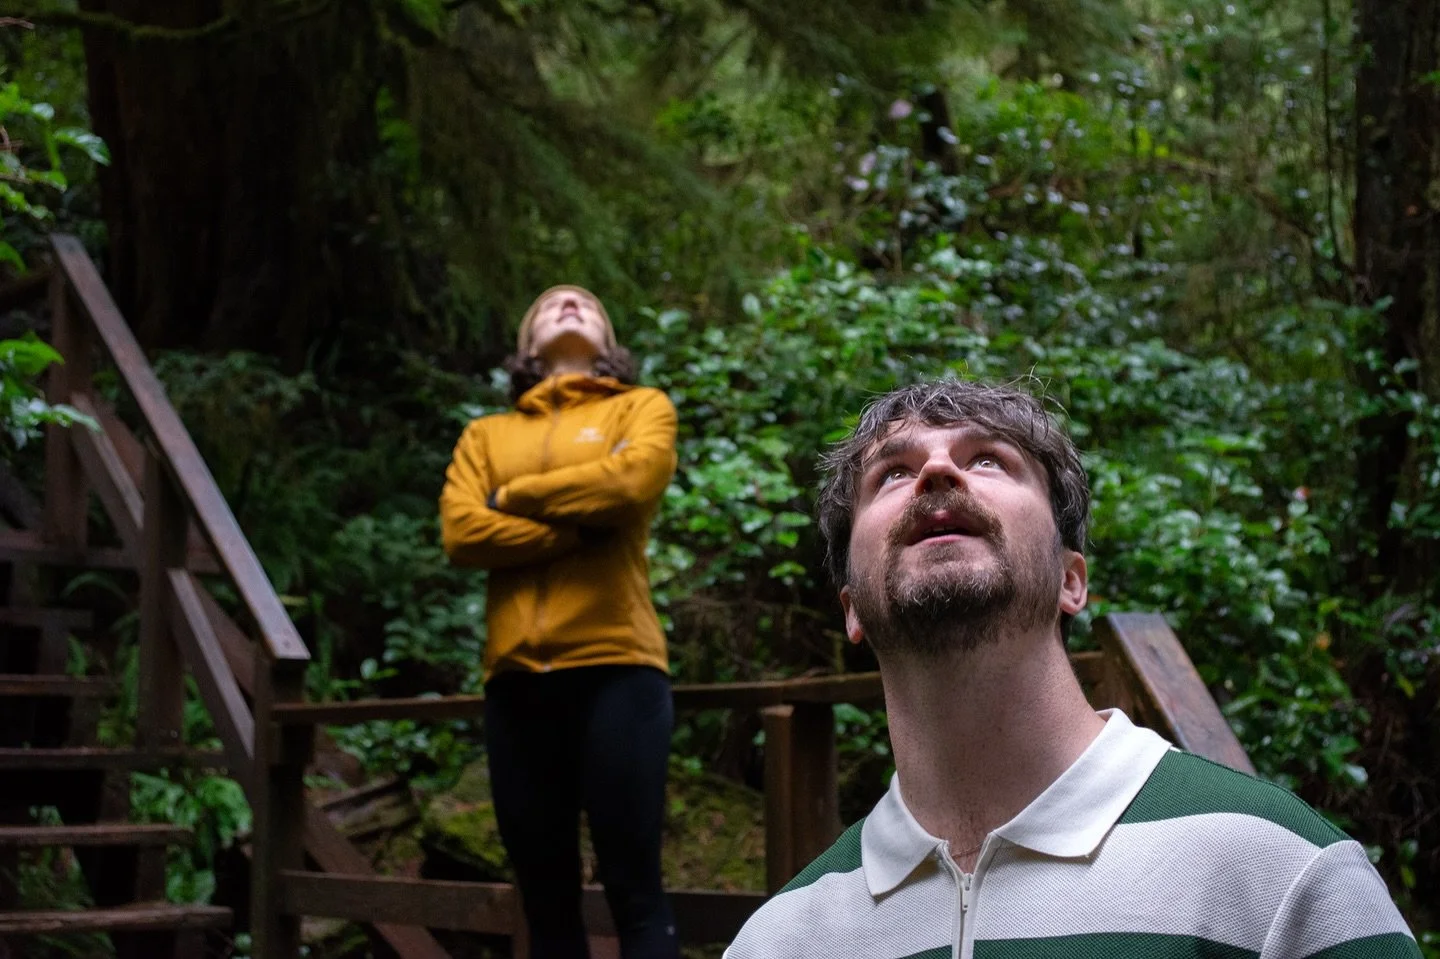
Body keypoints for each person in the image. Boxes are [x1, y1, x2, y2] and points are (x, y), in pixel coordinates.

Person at [726, 379, 1420, 959]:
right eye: (893, 473)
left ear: (1070, 580)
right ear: (852, 608)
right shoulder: (780, 941)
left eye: (989, 459)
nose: (937, 473)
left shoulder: (1280, 878)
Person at [440, 285, 680, 959]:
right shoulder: (485, 435)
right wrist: (577, 533)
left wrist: (511, 497)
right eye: (549, 304)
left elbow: (629, 485)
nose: (568, 304)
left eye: (585, 304)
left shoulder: (641, 407)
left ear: (608, 342)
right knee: (545, 904)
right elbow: (462, 532)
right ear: (526, 346)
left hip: (619, 669)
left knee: (636, 891)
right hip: (516, 682)